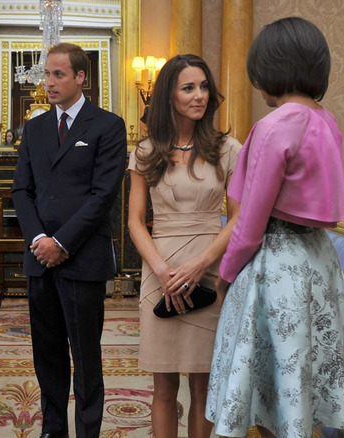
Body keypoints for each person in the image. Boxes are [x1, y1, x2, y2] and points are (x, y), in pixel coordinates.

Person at [205, 17, 344, 438]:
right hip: (319, 261)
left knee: (270, 388)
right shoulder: (327, 120)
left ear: (270, 68)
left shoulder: (274, 125)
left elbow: (250, 221)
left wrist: (224, 276)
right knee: (303, 383)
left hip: (277, 265)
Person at [11, 43, 127, 438]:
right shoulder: (37, 127)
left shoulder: (108, 125)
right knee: (47, 355)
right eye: (47, 75)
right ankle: (52, 430)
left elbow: (103, 196)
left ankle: (88, 432)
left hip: (82, 259)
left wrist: (61, 242)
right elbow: (21, 192)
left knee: (86, 357)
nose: (49, 83)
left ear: (81, 77)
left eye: (58, 75)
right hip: (39, 260)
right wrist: (41, 239)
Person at [127, 54, 242, 438]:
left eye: (204, 86)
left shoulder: (228, 149)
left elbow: (240, 218)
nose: (200, 96)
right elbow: (134, 221)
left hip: (209, 273)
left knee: (202, 384)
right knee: (163, 387)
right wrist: (162, 271)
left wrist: (200, 265)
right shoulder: (145, 151)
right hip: (159, 272)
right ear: (168, 96)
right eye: (188, 88)